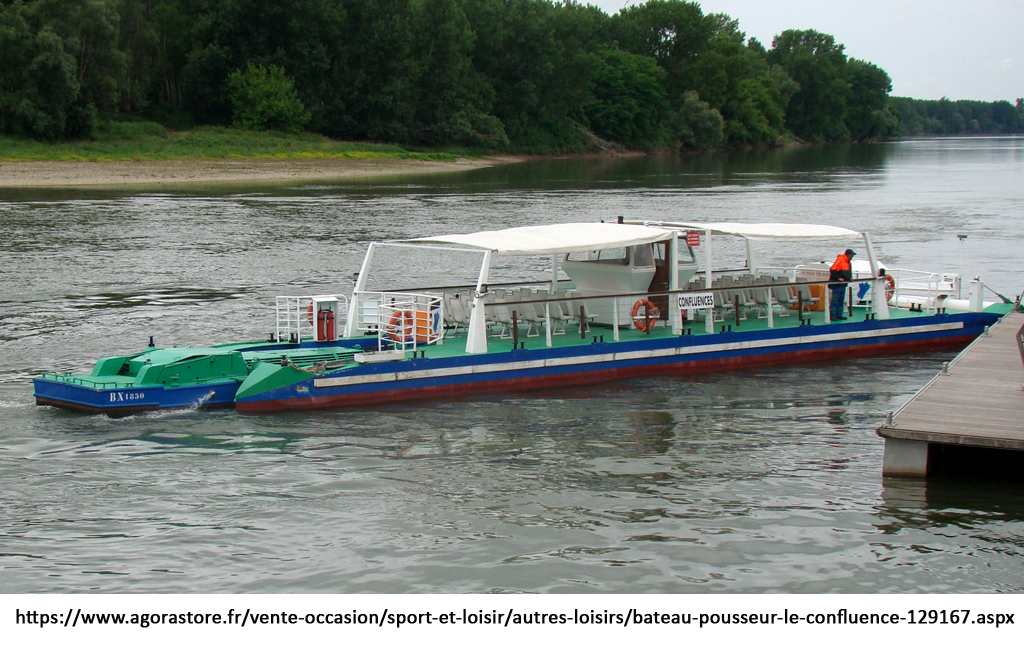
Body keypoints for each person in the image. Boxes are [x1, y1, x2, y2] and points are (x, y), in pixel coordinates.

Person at [829, 248, 856, 320]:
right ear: (849, 255)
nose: (852, 257)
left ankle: (839, 315)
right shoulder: (840, 260)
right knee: (835, 300)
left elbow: (848, 273)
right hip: (837, 284)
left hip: (843, 284)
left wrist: (850, 277)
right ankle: (833, 316)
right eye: (852, 255)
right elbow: (832, 270)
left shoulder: (848, 262)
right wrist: (838, 278)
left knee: (841, 300)